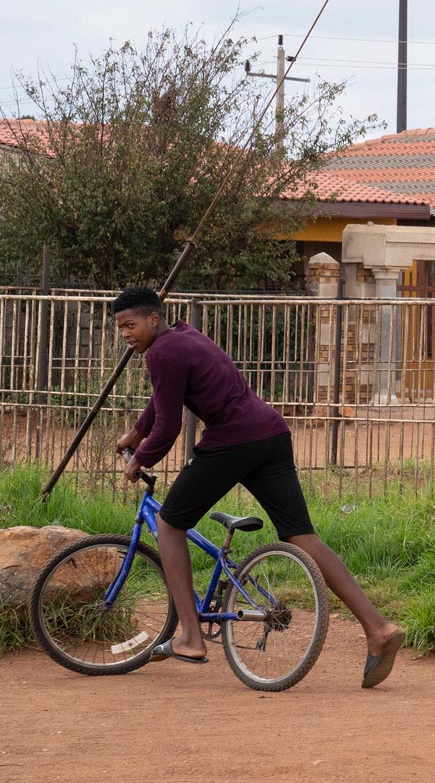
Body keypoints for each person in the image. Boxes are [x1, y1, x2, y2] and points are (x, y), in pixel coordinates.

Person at [109, 285, 404, 686]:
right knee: (302, 535)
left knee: (170, 525)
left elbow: (169, 424)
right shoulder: (184, 335)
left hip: (232, 441)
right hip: (270, 433)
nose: (126, 334)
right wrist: (135, 432)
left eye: (131, 325)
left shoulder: (161, 352)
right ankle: (378, 628)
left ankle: (192, 637)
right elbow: (164, 399)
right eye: (120, 328)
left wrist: (141, 458)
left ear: (153, 319)